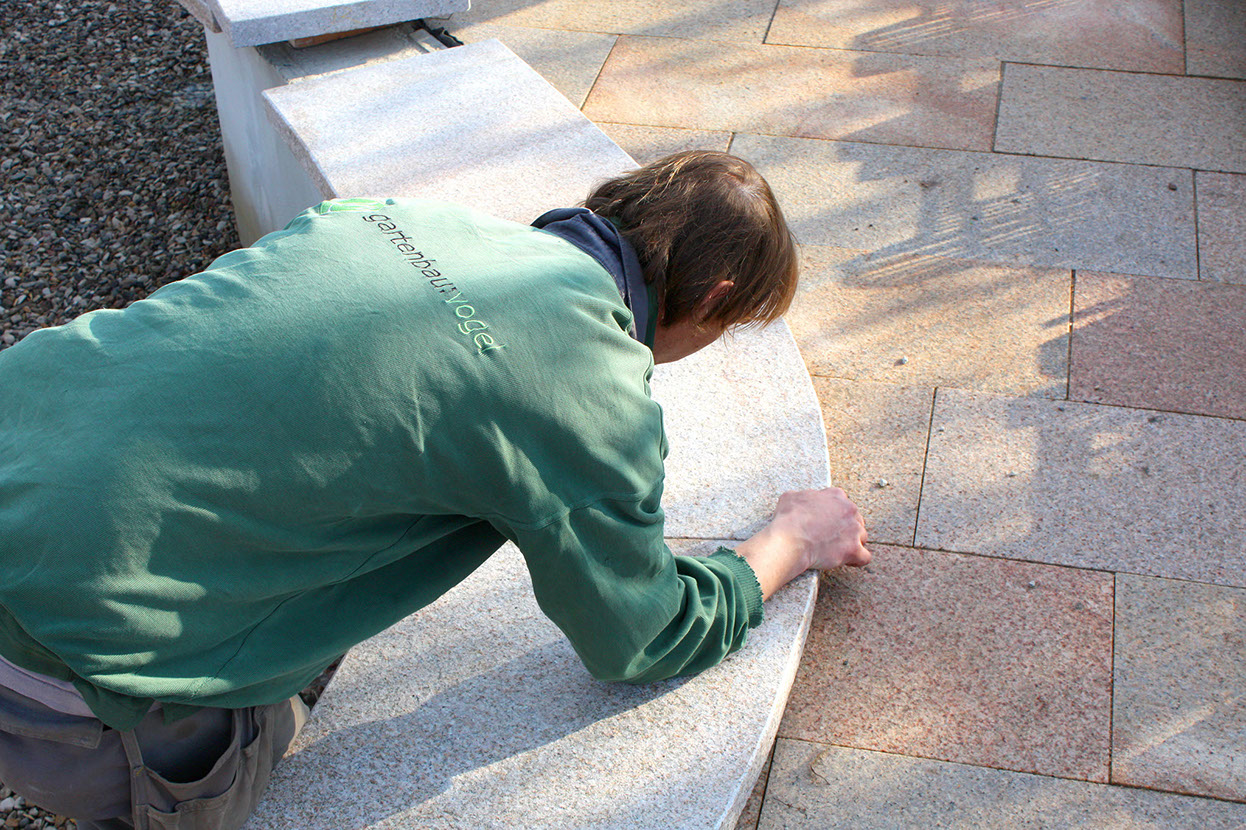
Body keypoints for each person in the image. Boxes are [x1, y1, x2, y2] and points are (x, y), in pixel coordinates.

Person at [0, 151, 870, 828]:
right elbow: (638, 638)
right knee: (270, 733)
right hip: (65, 657)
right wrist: (788, 545)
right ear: (715, 299)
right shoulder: (587, 382)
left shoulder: (388, 217)